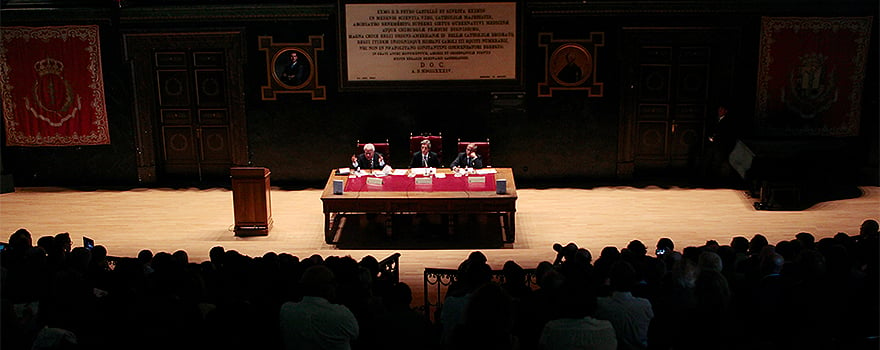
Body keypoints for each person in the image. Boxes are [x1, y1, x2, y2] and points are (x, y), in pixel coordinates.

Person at [279, 264, 359, 350]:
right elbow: (355, 335)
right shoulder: (342, 314)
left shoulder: (287, 310)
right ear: (327, 287)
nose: (336, 286)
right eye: (333, 283)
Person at [700, 105, 740, 183]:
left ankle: (715, 180)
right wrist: (710, 137)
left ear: (725, 111)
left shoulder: (727, 121)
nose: (719, 111)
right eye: (719, 110)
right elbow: (711, 129)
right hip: (712, 144)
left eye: (721, 110)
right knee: (706, 160)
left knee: (717, 162)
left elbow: (726, 134)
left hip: (720, 145)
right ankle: (703, 178)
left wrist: (718, 139)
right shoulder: (715, 119)